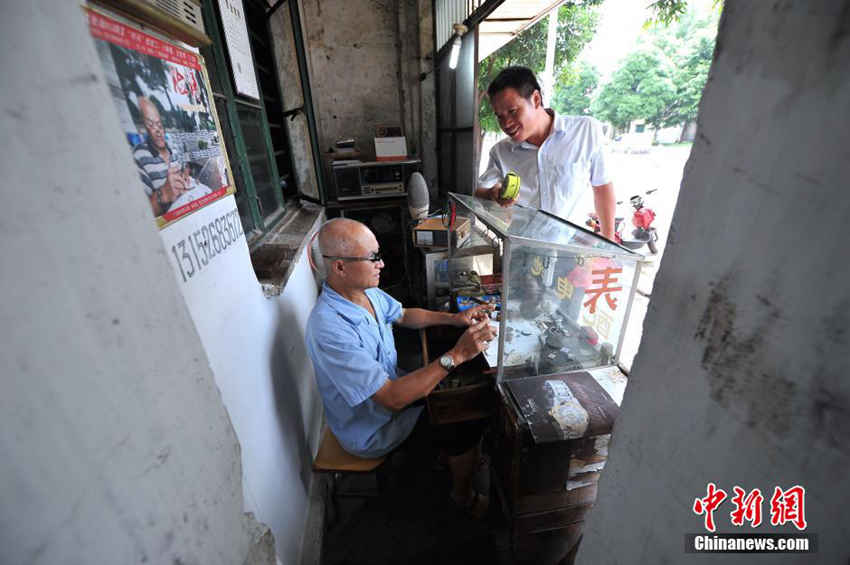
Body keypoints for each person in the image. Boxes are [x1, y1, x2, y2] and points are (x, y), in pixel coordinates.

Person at [305, 218, 497, 515]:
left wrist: (453, 319)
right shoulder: (329, 328)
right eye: (373, 258)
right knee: (464, 418)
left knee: (457, 387)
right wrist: (457, 354)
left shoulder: (365, 292)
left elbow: (405, 314)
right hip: (373, 427)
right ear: (340, 267)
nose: (381, 264)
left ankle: (453, 456)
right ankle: (463, 495)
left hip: (393, 395)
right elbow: (392, 398)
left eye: (378, 254)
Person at [476, 66, 617, 240]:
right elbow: (478, 192)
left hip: (572, 252)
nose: (506, 123)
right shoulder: (501, 152)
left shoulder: (585, 131)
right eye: (499, 116)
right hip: (523, 251)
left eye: (512, 111)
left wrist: (609, 245)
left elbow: (602, 187)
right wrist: (492, 193)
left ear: (536, 99)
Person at [133, 97, 186, 216]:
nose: (158, 130)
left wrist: (185, 177)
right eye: (151, 124)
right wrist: (164, 194)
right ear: (143, 128)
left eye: (159, 124)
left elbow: (184, 172)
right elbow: (140, 214)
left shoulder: (173, 147)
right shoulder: (139, 156)